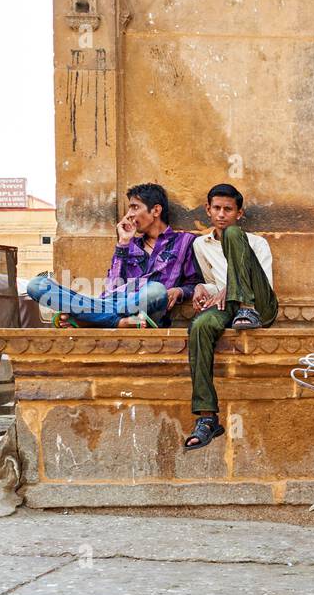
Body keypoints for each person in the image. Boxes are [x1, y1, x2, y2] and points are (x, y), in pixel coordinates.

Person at [182, 183, 278, 451]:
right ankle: (207, 417)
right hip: (230, 307)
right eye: (217, 208)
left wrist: (232, 289)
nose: (222, 214)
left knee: (234, 236)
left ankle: (246, 308)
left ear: (239, 213)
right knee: (200, 325)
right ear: (208, 210)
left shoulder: (257, 243)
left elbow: (266, 284)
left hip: (259, 305)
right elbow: (213, 282)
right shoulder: (201, 244)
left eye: (228, 209)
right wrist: (204, 288)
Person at [26, 183, 199, 328]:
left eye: (135, 207)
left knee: (156, 289)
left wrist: (180, 290)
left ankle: (88, 318)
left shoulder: (185, 241)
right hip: (116, 302)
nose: (129, 214)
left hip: (148, 306)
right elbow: (112, 287)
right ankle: (118, 322)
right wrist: (123, 243)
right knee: (37, 285)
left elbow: (194, 282)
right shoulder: (129, 245)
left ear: (156, 210)